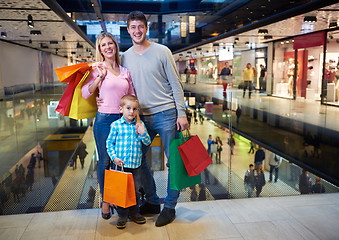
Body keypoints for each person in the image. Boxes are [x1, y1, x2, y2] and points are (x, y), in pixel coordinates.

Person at [120, 11, 189, 227]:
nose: (137, 31)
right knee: (137, 159)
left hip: (167, 113)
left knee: (174, 162)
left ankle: (169, 207)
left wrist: (182, 112)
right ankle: (151, 201)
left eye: (141, 26)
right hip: (141, 118)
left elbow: (175, 83)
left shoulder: (162, 51)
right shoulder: (125, 56)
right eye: (133, 27)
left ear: (146, 28)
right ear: (128, 29)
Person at [82, 32, 135, 220]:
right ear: (99, 49)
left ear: (115, 46)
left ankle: (120, 198)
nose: (107, 47)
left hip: (124, 121)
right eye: (103, 45)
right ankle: (106, 200)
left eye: (110, 43)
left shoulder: (125, 71)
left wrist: (137, 119)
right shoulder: (97, 68)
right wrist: (99, 79)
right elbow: (85, 93)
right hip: (104, 120)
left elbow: (131, 96)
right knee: (105, 161)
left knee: (119, 161)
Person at [106, 95, 151, 229]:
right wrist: (114, 157)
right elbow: (109, 143)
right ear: (121, 109)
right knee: (122, 191)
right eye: (128, 108)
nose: (131, 111)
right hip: (121, 166)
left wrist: (143, 133)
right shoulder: (116, 125)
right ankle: (122, 215)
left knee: (135, 191)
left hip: (136, 165)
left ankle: (134, 212)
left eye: (134, 109)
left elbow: (147, 142)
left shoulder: (140, 125)